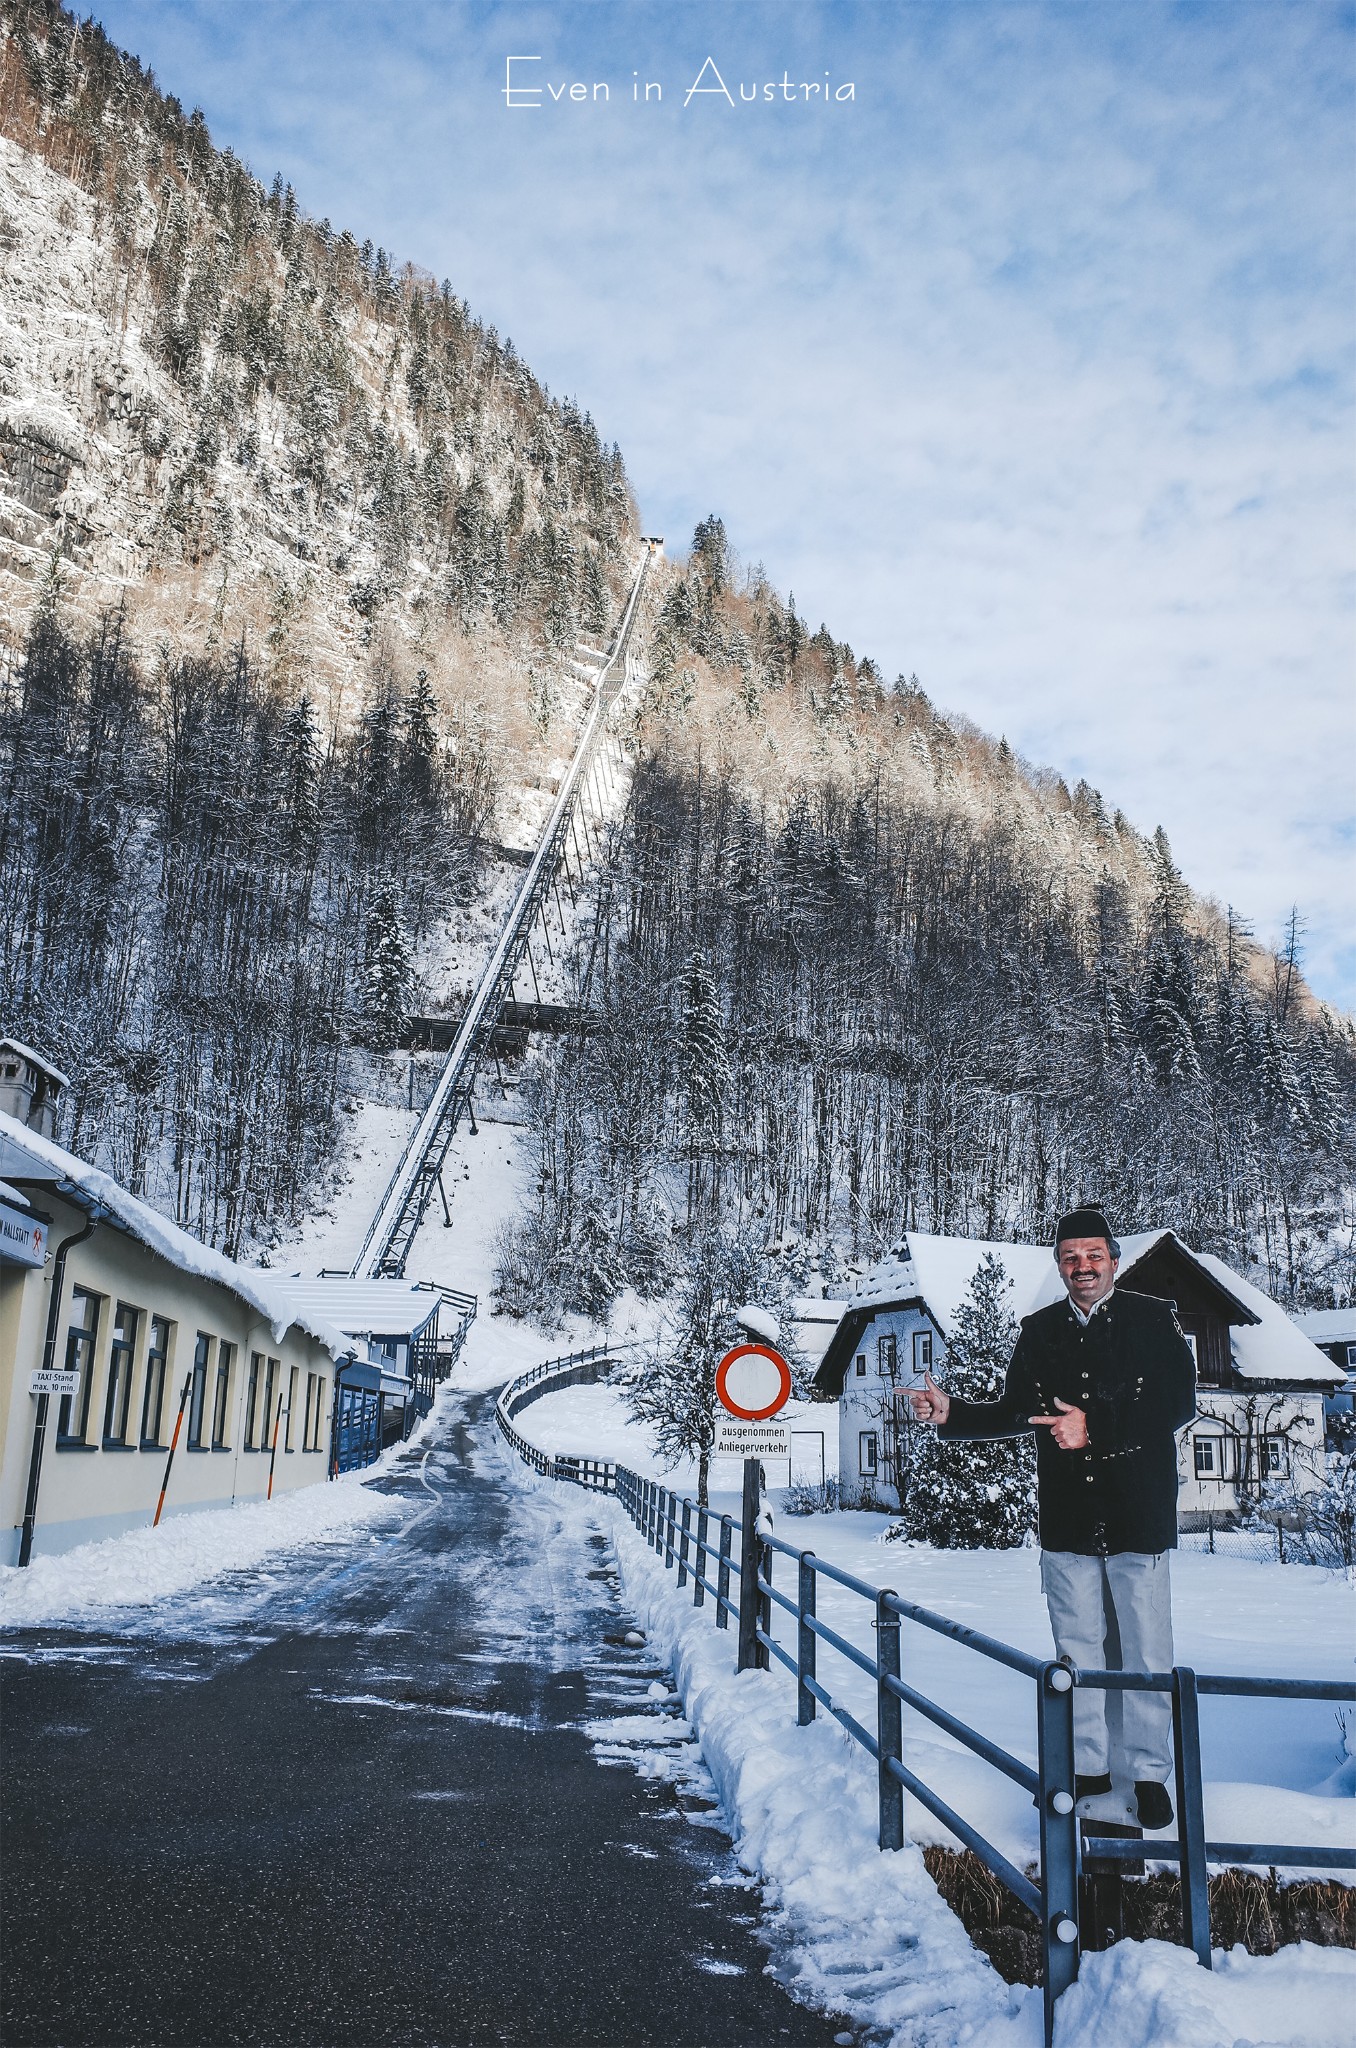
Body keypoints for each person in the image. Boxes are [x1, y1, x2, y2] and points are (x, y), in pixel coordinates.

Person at [909, 1207, 1197, 1830]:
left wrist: (1093, 1428)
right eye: (1070, 1257)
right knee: (1076, 1651)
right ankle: (1087, 1766)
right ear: (1059, 1264)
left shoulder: (1152, 1319)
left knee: (1146, 1654)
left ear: (1114, 1260)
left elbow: (1176, 1406)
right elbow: (1018, 1411)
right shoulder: (1039, 1330)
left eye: (1094, 1255)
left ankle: (1149, 1775)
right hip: (1068, 1518)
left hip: (1138, 1515)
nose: (1082, 1267)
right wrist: (952, 1414)